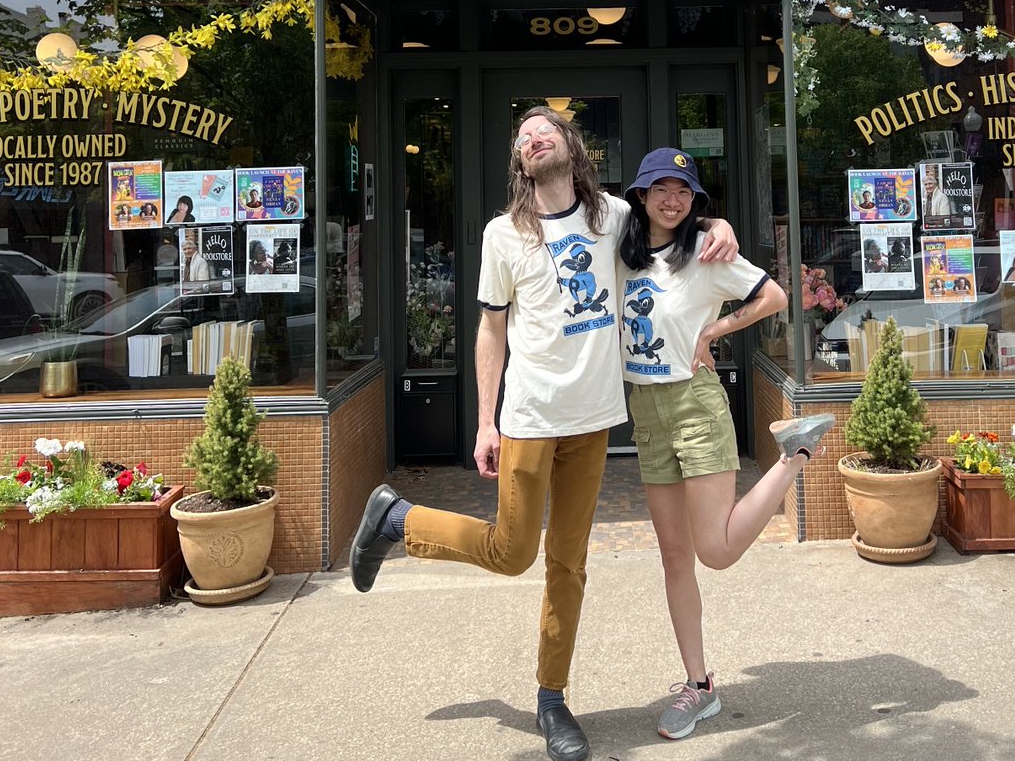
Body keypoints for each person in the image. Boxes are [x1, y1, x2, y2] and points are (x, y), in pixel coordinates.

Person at [349, 107, 738, 761]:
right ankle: (398, 521)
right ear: (520, 159)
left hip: (591, 423)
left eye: (544, 130)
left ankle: (552, 699)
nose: (532, 138)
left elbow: (676, 224)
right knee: (512, 550)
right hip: (528, 417)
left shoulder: (613, 217)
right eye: (522, 136)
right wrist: (483, 420)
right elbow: (491, 329)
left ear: (571, 146)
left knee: (569, 564)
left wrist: (718, 223)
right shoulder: (504, 235)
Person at [617, 148, 834, 740]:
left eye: (683, 191)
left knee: (714, 550)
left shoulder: (707, 254)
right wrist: (718, 222)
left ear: (694, 201)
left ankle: (796, 455)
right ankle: (700, 685)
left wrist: (715, 328)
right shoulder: (625, 249)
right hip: (647, 411)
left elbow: (774, 297)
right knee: (672, 555)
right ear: (639, 195)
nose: (671, 199)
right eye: (660, 188)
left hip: (695, 405)